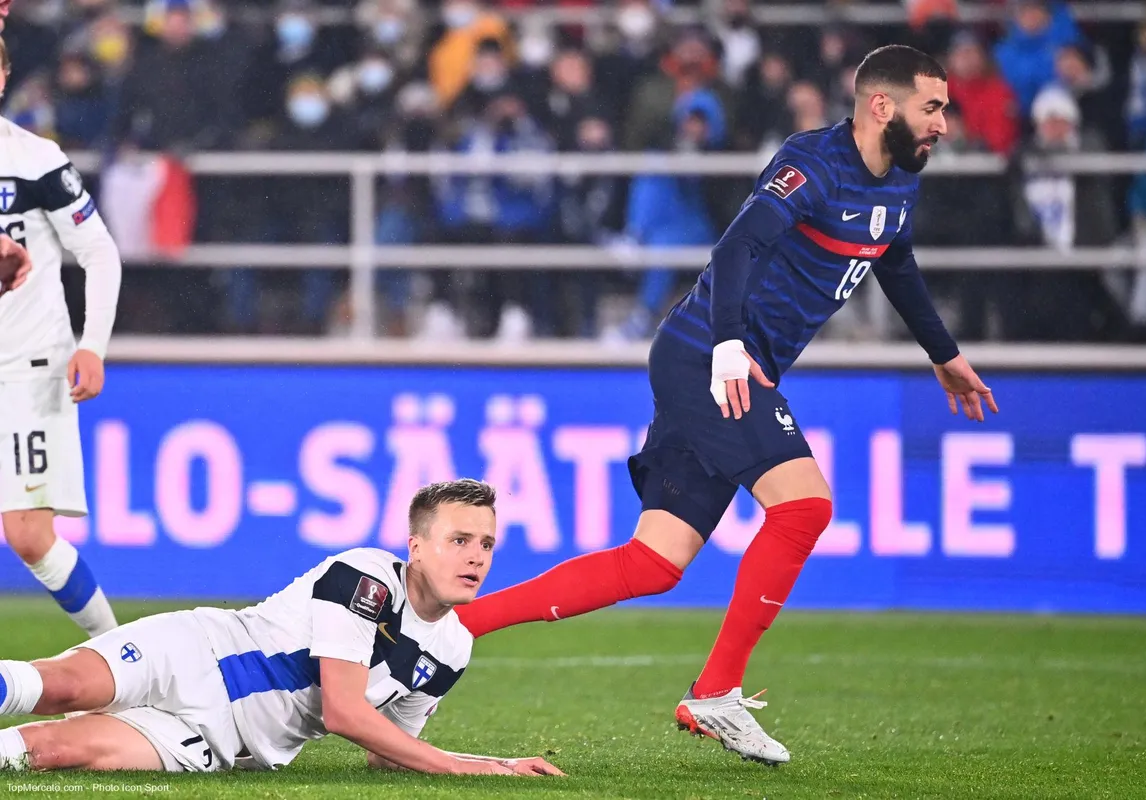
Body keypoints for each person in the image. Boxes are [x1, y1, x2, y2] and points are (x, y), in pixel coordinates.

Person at [455, 45, 998, 765]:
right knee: (804, 507)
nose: (944, 124)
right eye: (932, 108)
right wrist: (729, 344)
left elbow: (892, 259)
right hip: (709, 359)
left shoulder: (898, 181)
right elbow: (738, 247)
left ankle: (455, 625)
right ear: (881, 107)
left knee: (654, 562)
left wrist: (943, 352)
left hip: (728, 365)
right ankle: (716, 690)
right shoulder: (814, 164)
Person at [0, 479, 564, 778]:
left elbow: (389, 755)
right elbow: (345, 712)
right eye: (458, 540)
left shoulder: (452, 650)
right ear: (416, 548)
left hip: (220, 744)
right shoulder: (366, 577)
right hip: (195, 653)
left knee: (50, 750)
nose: (476, 558)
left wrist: (492, 766)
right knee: (59, 688)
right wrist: (476, 770)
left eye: (486, 543)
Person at [0, 35, 122, 638]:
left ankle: (121, 660)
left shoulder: (35, 160)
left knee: (27, 533)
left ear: (3, 77)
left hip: (29, 364)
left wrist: (91, 344)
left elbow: (99, 252)